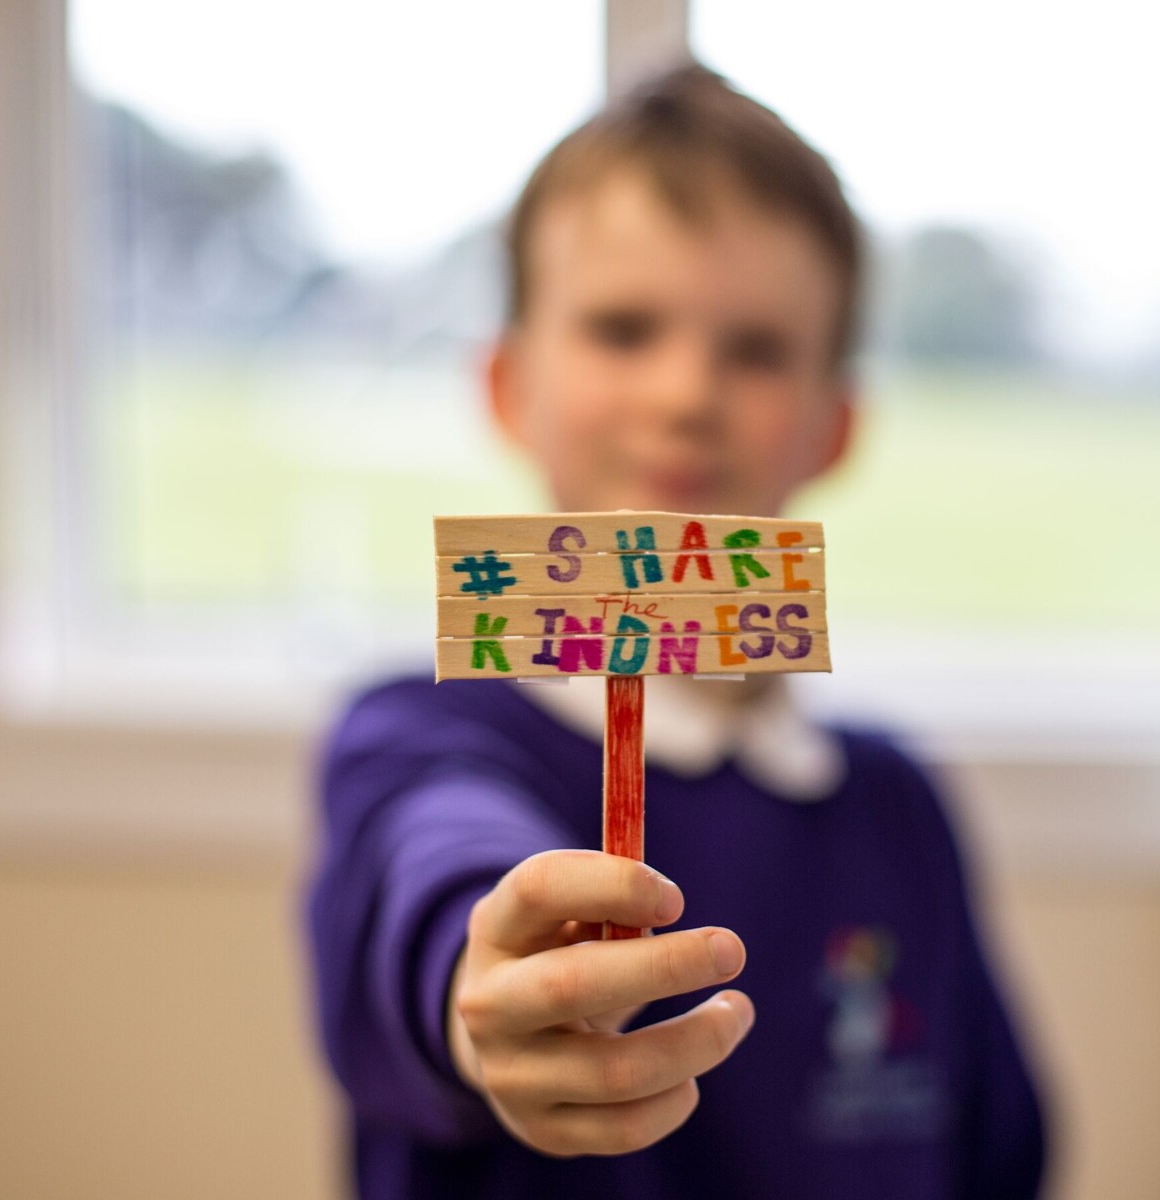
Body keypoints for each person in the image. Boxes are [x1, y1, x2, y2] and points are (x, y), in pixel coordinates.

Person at [306, 63, 1050, 1200]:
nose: (684, 393)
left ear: (833, 426)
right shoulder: (416, 738)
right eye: (620, 329)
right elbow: (430, 872)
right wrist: (481, 982)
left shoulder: (899, 809)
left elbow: (999, 1151)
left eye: (754, 350)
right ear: (508, 386)